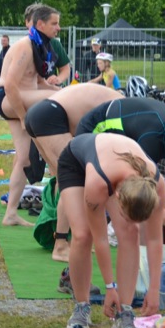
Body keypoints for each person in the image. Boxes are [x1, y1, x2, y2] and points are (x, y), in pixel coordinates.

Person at [74, 97, 165, 305]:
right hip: (94, 133)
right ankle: (120, 279)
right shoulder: (153, 139)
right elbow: (145, 200)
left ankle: (140, 280)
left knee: (136, 223)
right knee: (106, 224)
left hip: (125, 139)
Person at [58, 133, 163, 328]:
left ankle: (126, 310)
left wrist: (154, 290)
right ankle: (82, 305)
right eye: (124, 213)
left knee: (130, 231)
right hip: (76, 163)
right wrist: (109, 287)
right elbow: (101, 239)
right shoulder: (98, 184)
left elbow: (154, 239)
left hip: (114, 166)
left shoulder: (157, 186)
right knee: (82, 235)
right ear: (117, 196)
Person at [24, 83, 123, 262]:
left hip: (40, 113)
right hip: (50, 115)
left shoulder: (116, 102)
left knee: (61, 179)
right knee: (73, 181)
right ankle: (61, 245)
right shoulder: (123, 111)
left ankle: (62, 237)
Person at [0, 4, 64, 226]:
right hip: (9, 99)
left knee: (24, 159)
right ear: (40, 24)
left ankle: (10, 214)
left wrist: (58, 88)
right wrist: (24, 117)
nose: (58, 28)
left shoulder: (39, 46)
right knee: (59, 99)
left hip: (19, 99)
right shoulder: (25, 46)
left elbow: (38, 82)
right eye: (54, 23)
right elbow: (10, 85)